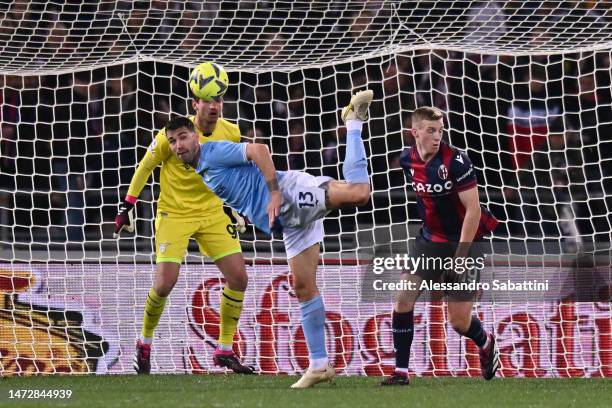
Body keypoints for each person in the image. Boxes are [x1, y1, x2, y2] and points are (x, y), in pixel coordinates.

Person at [163, 90, 373, 388]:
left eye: (183, 137)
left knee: (358, 193)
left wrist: (274, 192)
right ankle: (319, 365)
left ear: (195, 137)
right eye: (172, 141)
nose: (179, 145)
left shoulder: (212, 151)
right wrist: (241, 211)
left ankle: (353, 122)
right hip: (289, 221)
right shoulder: (202, 169)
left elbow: (259, 150)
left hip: (288, 196)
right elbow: (241, 184)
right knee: (303, 287)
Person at [114, 64, 253, 375]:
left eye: (219, 99)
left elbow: (233, 170)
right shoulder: (172, 134)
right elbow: (144, 168)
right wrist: (127, 206)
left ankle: (225, 349)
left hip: (212, 213)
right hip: (174, 214)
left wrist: (237, 206)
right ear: (196, 104)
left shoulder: (230, 131)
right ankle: (144, 342)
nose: (214, 105)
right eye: (208, 100)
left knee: (239, 278)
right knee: (164, 284)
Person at [381, 106, 500, 385]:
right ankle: (401, 372)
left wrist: (459, 258)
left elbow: (473, 211)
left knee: (459, 323)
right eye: (431, 130)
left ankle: (486, 342)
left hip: (465, 243)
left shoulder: (456, 162)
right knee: (403, 300)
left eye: (441, 130)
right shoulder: (406, 159)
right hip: (430, 240)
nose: (437, 136)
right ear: (415, 132)